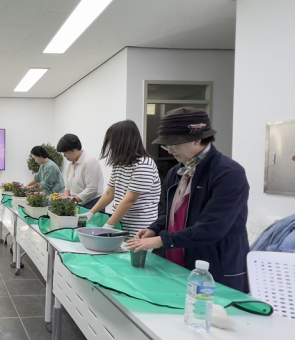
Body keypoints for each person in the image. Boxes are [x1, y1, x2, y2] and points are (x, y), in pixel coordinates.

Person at [126, 108, 250, 292]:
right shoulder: (176, 172)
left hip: (214, 267)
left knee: (207, 314)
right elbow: (168, 213)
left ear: (197, 139)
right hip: (176, 259)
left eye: (173, 144)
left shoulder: (228, 174)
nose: (168, 150)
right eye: (166, 145)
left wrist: (162, 240)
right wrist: (154, 229)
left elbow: (212, 228)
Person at [78, 120, 161, 237]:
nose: (111, 145)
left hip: (140, 229)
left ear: (124, 141)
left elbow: (130, 200)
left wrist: (108, 225)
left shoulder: (143, 164)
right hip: (121, 223)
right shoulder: (120, 164)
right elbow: (109, 193)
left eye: (113, 141)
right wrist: (92, 212)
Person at [56, 134, 104, 210]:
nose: (64, 156)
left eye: (66, 152)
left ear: (74, 149)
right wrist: (66, 199)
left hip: (92, 203)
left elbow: (92, 188)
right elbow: (67, 186)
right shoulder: (69, 165)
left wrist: (74, 200)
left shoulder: (89, 162)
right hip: (77, 202)